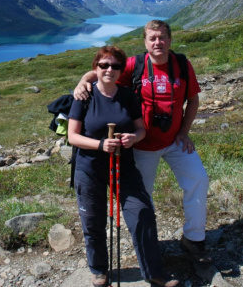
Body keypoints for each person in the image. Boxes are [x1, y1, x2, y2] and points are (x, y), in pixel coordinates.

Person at [74, 20, 210, 264]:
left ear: (170, 39)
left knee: (198, 179)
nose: (158, 42)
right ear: (145, 42)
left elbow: (193, 100)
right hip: (142, 146)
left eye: (162, 37)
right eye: (152, 38)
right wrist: (83, 80)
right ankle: (149, 249)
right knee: (142, 199)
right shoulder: (133, 65)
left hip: (174, 141)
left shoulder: (181, 64)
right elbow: (104, 70)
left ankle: (194, 239)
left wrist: (184, 132)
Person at [68, 45, 179, 287]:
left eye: (115, 66)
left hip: (123, 165)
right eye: (103, 65)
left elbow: (140, 128)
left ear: (121, 70)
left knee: (142, 213)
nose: (109, 69)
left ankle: (153, 271)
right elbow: (73, 137)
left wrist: (134, 138)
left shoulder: (128, 96)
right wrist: (100, 145)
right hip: (89, 168)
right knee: (93, 220)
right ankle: (99, 270)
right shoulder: (83, 96)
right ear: (95, 68)